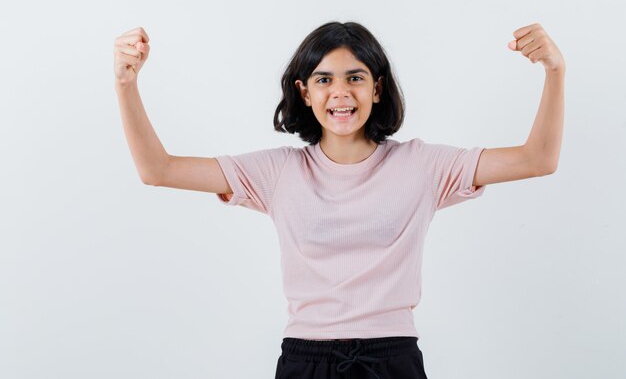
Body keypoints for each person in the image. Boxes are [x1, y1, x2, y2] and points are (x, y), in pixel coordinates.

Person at [113, 21, 565, 379]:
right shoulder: (278, 172)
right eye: (324, 79)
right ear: (304, 92)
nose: (341, 92)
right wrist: (126, 84)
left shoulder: (422, 165)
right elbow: (158, 170)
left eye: (355, 77)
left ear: (377, 88)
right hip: (305, 361)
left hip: (393, 359)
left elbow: (537, 159)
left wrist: (555, 71)